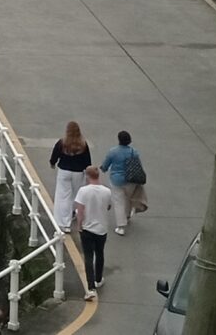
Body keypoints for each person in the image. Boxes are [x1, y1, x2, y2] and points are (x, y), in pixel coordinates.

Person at [72, 167, 118, 299]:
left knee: (88, 257)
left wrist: (79, 225)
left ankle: (90, 288)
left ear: (87, 176)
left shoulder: (83, 191)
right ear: (98, 176)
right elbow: (108, 207)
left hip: (87, 228)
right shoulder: (107, 191)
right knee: (100, 253)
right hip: (102, 228)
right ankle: (98, 279)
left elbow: (80, 210)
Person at [47, 121, 91, 228]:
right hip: (78, 172)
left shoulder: (62, 143)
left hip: (64, 171)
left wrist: (53, 163)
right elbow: (87, 161)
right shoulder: (83, 144)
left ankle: (63, 222)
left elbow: (55, 155)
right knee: (75, 195)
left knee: (63, 196)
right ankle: (72, 213)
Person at [102, 130, 147, 234]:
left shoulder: (113, 151)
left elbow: (105, 165)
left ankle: (121, 226)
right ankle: (127, 215)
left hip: (117, 180)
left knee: (118, 202)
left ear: (119, 140)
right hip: (131, 180)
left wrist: (103, 168)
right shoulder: (134, 152)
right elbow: (138, 165)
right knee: (128, 198)